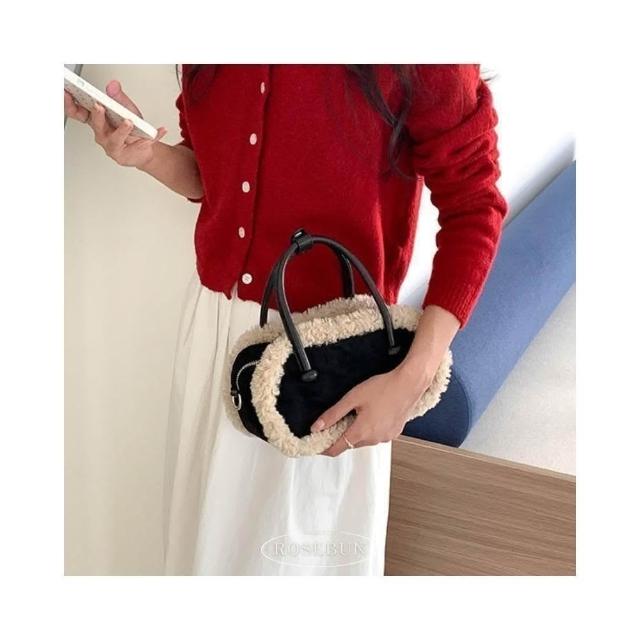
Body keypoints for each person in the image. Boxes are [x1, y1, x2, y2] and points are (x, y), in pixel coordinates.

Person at [64, 64, 508, 576]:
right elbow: (213, 174)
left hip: (328, 362)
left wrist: (414, 379)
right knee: (202, 558)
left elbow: (476, 205)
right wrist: (147, 154)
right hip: (215, 338)